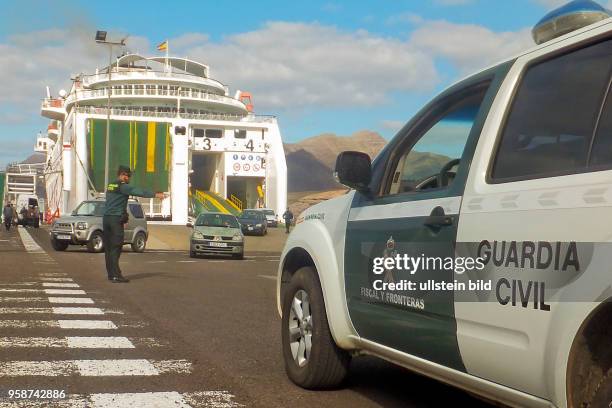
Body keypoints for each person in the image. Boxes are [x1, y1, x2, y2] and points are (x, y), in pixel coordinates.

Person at [103, 166, 165, 283]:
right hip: (115, 220)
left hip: (106, 219)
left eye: (128, 176)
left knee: (109, 248)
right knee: (116, 247)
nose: (128, 178)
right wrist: (156, 195)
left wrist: (124, 214)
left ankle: (111, 274)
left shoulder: (111, 185)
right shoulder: (123, 186)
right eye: (126, 175)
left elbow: (116, 202)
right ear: (121, 175)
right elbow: (139, 192)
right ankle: (116, 275)